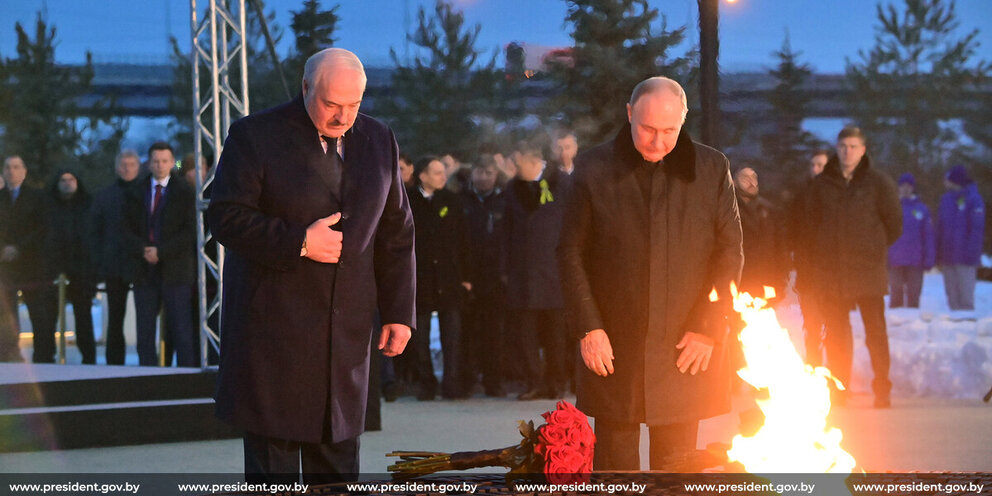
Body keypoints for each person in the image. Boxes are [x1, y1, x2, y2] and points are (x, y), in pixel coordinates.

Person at [207, 48, 415, 483]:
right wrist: (300, 242)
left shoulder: (379, 138)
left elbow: (396, 233)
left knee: (338, 476)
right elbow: (225, 217)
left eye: (353, 106)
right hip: (273, 339)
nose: (342, 117)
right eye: (331, 104)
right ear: (305, 89)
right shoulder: (255, 135)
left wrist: (399, 313)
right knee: (275, 474)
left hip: (345, 344)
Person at [558, 76, 742, 470]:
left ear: (684, 120)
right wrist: (589, 328)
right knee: (615, 472)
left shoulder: (710, 168)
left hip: (685, 347)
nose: (657, 142)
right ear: (629, 114)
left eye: (669, 131)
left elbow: (729, 254)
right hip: (613, 345)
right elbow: (570, 251)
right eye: (647, 129)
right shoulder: (594, 168)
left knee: (675, 474)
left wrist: (709, 326)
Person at [805, 126, 901, 408]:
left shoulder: (878, 183)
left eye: (854, 146)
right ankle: (839, 390)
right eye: (843, 146)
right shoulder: (822, 184)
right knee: (836, 335)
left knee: (876, 333)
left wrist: (872, 247)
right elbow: (810, 223)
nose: (848, 152)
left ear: (863, 149)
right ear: (837, 148)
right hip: (832, 272)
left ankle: (882, 388)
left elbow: (894, 224)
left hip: (867, 270)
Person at [505, 142, 571, 401]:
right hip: (522, 274)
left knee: (556, 334)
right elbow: (506, 232)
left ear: (532, 161)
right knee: (526, 335)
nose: (515, 169)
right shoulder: (513, 189)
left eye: (518, 164)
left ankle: (556, 382)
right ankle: (533, 381)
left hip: (553, 272)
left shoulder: (561, 183)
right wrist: (505, 268)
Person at [123, 142, 197, 367]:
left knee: (181, 329)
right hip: (144, 270)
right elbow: (125, 228)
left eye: (165, 161)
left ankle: (187, 378)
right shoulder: (135, 191)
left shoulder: (185, 192)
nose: (160, 165)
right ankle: (147, 377)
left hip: (175, 270)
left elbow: (190, 231)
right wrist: (143, 249)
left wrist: (161, 252)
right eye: (156, 161)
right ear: (149, 162)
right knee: (145, 331)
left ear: (171, 162)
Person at [407, 156, 471, 400]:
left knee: (452, 336)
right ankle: (426, 383)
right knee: (419, 336)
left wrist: (466, 276)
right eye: (436, 172)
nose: (442, 177)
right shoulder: (409, 201)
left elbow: (464, 240)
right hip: (421, 278)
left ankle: (451, 383)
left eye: (443, 172)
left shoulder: (452, 201)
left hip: (449, 277)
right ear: (422, 175)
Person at [0, 156, 58, 363]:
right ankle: (9, 356)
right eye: (7, 167)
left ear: (24, 171)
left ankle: (43, 357)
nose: (11, 171)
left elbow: (43, 229)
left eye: (16, 167)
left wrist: (19, 248)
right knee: (6, 316)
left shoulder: (37, 198)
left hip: (32, 265)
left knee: (39, 315)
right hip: (5, 267)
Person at [459, 157, 507, 397]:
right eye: (479, 171)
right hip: (468, 276)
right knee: (466, 334)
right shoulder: (461, 200)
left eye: (489, 172)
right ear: (472, 174)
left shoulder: (503, 201)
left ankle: (493, 382)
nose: (484, 177)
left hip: (495, 278)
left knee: (493, 334)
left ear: (496, 175)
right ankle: (466, 381)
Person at [90, 150, 141, 365]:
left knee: (145, 318)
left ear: (137, 167)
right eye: (123, 164)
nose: (127, 168)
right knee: (115, 317)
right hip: (114, 264)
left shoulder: (145, 192)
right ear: (116, 167)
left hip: (141, 264)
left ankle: (148, 360)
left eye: (131, 164)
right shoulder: (104, 196)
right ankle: (114, 361)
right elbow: (95, 230)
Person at [46, 170, 97, 364]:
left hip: (82, 269)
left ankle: (89, 359)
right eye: (63, 180)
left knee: (83, 318)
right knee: (49, 317)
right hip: (54, 269)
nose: (67, 183)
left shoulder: (88, 205)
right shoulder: (49, 206)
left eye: (71, 180)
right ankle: (46, 357)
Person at [790, 149, 830, 366]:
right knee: (812, 327)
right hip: (809, 274)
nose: (816, 169)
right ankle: (814, 371)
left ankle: (837, 380)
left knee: (834, 328)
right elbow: (793, 230)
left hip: (833, 274)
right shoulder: (802, 195)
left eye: (821, 165)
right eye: (813, 164)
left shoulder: (838, 195)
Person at [936, 165, 985, 311]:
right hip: (948, 257)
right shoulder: (946, 199)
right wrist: (939, 253)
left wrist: (972, 253)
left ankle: (967, 328)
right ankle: (953, 329)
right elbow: (940, 227)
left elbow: (977, 229)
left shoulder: (974, 199)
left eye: (948, 179)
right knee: (952, 296)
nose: (945, 182)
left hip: (966, 258)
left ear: (955, 180)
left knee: (965, 297)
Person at [888, 173, 935, 308]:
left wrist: (929, 258)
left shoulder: (922, 209)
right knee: (896, 296)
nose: (905, 189)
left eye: (908, 186)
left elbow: (928, 236)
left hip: (915, 261)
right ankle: (896, 326)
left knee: (914, 296)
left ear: (913, 188)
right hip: (895, 260)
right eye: (902, 186)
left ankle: (913, 327)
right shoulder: (891, 207)